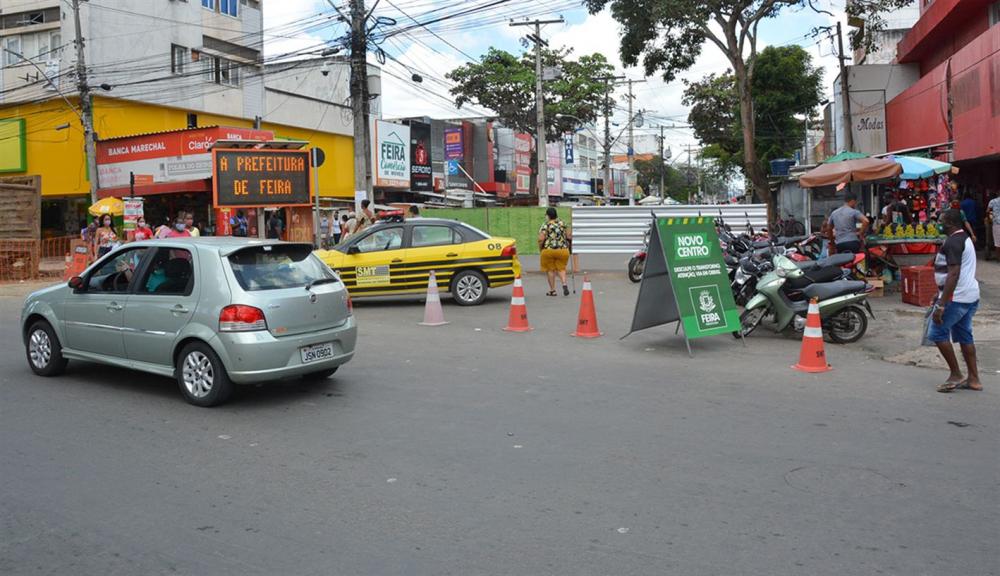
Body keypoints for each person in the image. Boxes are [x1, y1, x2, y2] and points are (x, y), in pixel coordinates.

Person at [931, 209, 981, 393]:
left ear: (950, 223)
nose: (938, 223)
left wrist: (942, 304)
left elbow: (953, 273)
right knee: (965, 336)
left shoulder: (953, 242)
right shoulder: (964, 238)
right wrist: (939, 293)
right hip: (969, 295)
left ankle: (956, 374)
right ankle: (974, 379)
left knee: (937, 333)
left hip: (957, 298)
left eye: (941, 221)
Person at [538, 207, 571, 296]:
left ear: (548, 216)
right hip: (562, 250)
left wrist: (540, 248)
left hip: (549, 250)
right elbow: (569, 236)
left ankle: (553, 290)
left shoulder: (546, 225)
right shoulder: (563, 223)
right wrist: (569, 245)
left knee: (550, 270)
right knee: (561, 268)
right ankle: (564, 283)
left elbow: (541, 239)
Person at [987, 191, 1000, 260]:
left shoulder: (992, 201)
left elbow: (987, 211)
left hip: (996, 223)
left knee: (997, 241)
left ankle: (998, 257)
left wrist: (990, 217)